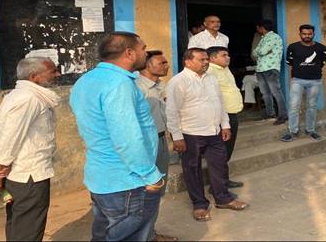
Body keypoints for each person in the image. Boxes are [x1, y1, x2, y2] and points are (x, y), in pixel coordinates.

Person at [70, 32, 165, 242]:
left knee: (103, 235)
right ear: (129, 53)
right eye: (143, 48)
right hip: (127, 182)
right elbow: (127, 137)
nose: (146, 53)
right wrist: (151, 175)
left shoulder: (86, 80)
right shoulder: (119, 84)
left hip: (102, 178)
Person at [166, 48, 249, 222]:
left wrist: (225, 125)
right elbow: (172, 111)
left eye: (206, 60)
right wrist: (177, 136)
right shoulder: (178, 81)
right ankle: (199, 204)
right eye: (202, 60)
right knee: (192, 169)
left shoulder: (211, 78)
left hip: (214, 132)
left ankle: (223, 198)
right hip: (191, 133)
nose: (206, 62)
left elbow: (220, 103)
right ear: (188, 62)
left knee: (219, 165)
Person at [0, 57, 61, 242]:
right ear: (34, 76)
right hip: (29, 175)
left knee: (19, 224)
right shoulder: (28, 99)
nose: (57, 74)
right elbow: (10, 138)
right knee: (28, 228)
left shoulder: (18, 95)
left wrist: (0, 173)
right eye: (52, 71)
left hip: (22, 173)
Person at [136, 50, 177, 242]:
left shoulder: (162, 85)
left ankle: (149, 233)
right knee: (143, 191)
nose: (166, 66)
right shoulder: (136, 87)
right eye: (162, 63)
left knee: (157, 189)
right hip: (144, 143)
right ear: (147, 65)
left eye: (166, 62)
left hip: (160, 139)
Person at [281, 24, 326, 142]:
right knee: (293, 105)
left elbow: (322, 62)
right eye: (304, 34)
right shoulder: (293, 47)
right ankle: (293, 131)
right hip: (297, 80)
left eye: (309, 34)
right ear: (300, 34)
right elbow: (289, 62)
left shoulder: (321, 48)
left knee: (311, 106)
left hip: (315, 81)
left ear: (313, 34)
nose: (307, 36)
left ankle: (310, 130)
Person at [206, 46, 245, 188]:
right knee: (221, 152)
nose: (228, 57)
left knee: (227, 150)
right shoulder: (210, 71)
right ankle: (217, 185)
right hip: (223, 116)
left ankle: (223, 180)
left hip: (231, 113)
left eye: (227, 55)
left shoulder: (224, 69)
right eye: (224, 55)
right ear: (212, 58)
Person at [252, 19, 288, 124]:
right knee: (265, 93)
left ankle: (283, 115)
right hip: (260, 68)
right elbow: (254, 53)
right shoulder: (264, 38)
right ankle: (270, 114)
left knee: (276, 92)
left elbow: (261, 51)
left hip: (270, 68)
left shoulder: (274, 37)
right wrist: (260, 51)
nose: (257, 29)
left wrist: (259, 51)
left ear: (262, 28)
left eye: (258, 27)